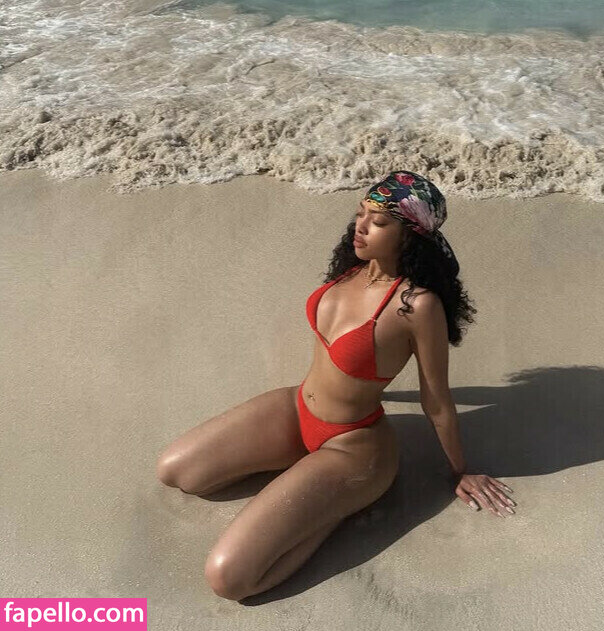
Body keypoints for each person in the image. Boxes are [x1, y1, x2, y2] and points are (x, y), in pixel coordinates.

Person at [156, 170, 517, 601]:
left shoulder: (417, 306)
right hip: (296, 410)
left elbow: (436, 398)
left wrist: (460, 471)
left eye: (378, 222)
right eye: (360, 213)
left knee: (228, 579)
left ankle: (335, 508)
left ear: (409, 236)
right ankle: (314, 489)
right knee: (177, 472)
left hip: (353, 447)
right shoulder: (352, 268)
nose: (360, 226)